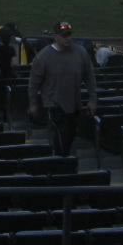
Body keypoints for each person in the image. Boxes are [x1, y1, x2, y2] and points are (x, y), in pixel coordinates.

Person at [28, 21, 98, 157]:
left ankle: (64, 165)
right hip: (54, 104)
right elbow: (33, 83)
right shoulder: (43, 56)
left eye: (69, 35)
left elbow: (89, 77)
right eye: (64, 35)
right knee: (61, 138)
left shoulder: (81, 52)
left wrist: (92, 99)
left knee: (70, 135)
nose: (67, 38)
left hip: (74, 103)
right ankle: (62, 167)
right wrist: (33, 104)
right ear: (55, 36)